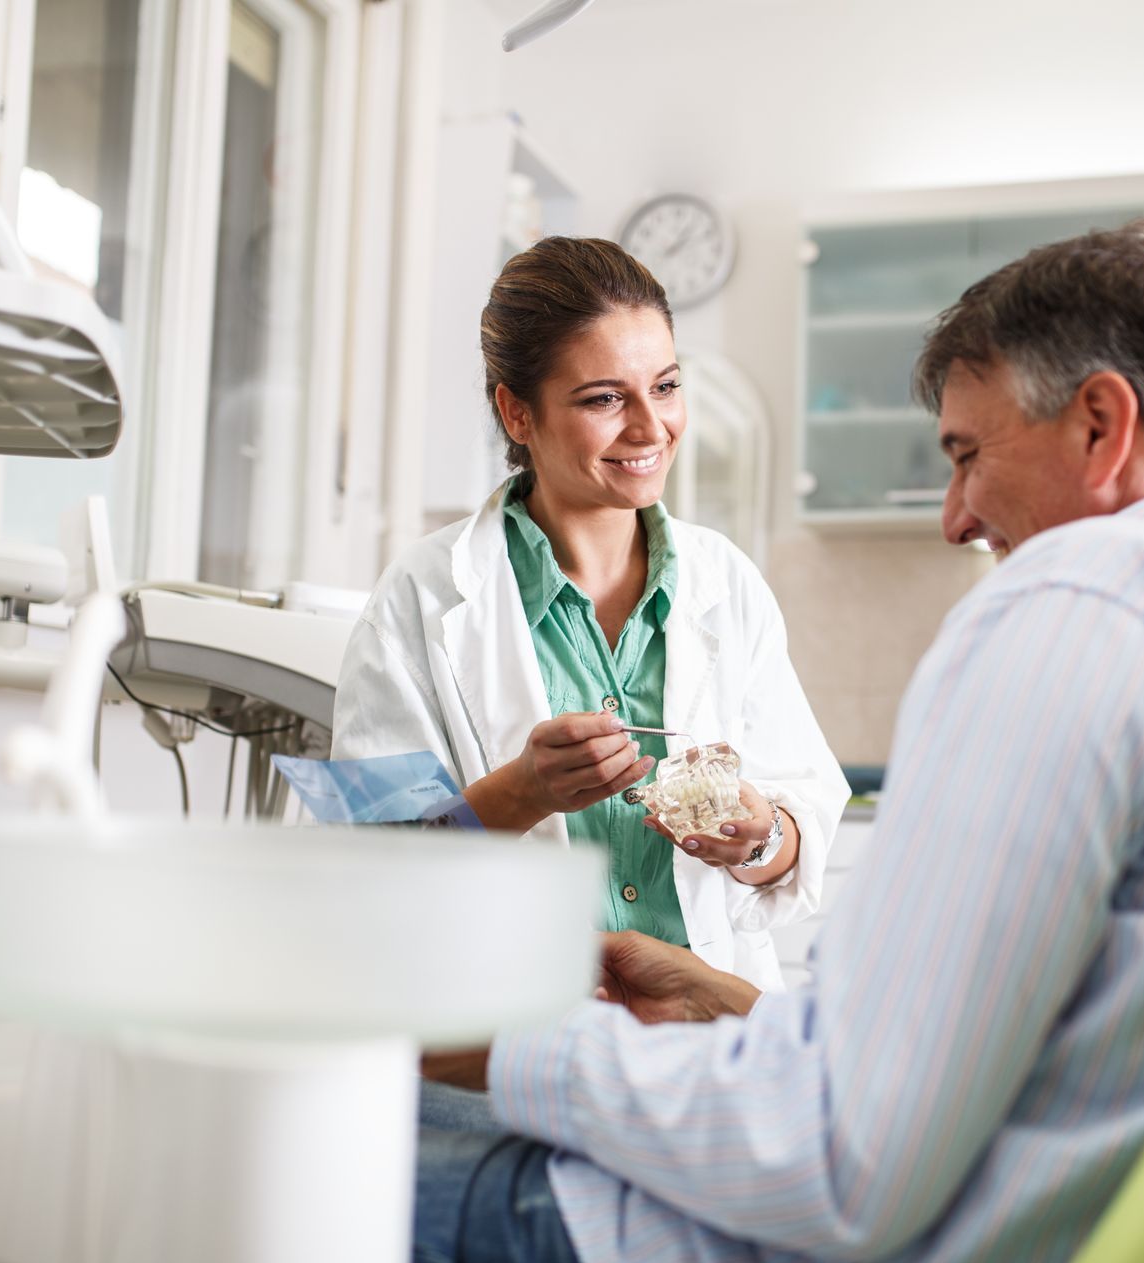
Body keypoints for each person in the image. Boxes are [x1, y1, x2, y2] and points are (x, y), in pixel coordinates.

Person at [409, 220, 1144, 1263]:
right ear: (521, 414)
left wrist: (521, 1046)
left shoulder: (1084, 603)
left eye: (968, 452)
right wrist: (722, 996)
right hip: (908, 1166)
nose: (954, 516)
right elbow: (1003, 1055)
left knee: (294, 1155)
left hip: (765, 1232)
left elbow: (839, 1155)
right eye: (605, 395)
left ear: (1101, 424)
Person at [332, 236, 847, 990]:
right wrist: (521, 792)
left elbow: (806, 823)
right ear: (516, 412)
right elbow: (364, 873)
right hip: (506, 1045)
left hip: (700, 1048)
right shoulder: (420, 597)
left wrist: (759, 834)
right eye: (605, 398)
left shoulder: (726, 585)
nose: (650, 427)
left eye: (666, 387)